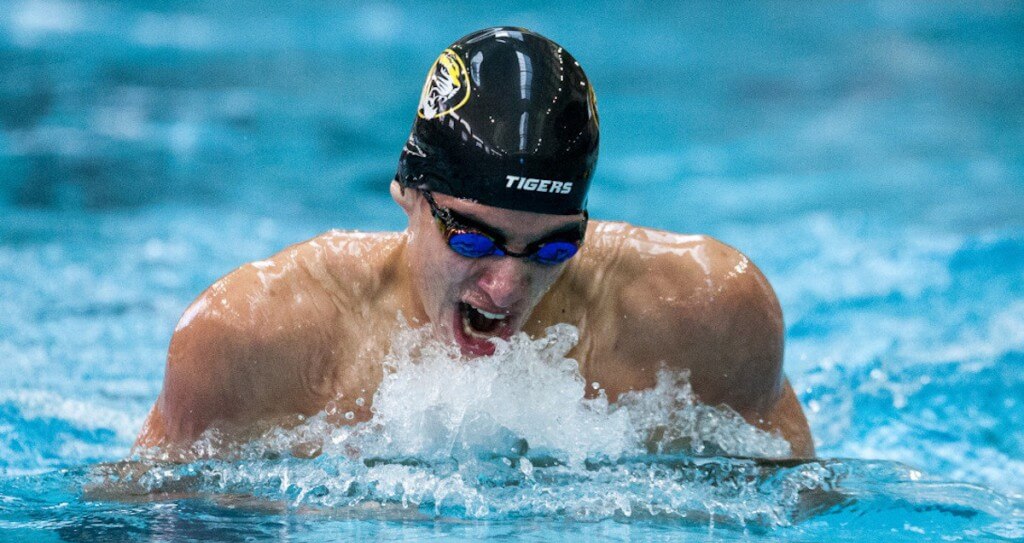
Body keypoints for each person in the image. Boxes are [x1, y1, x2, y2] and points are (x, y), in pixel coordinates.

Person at [135, 27, 814, 458]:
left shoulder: (710, 314)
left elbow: (798, 523)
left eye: (549, 248)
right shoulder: (251, 340)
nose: (506, 286)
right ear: (407, 191)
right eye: (471, 237)